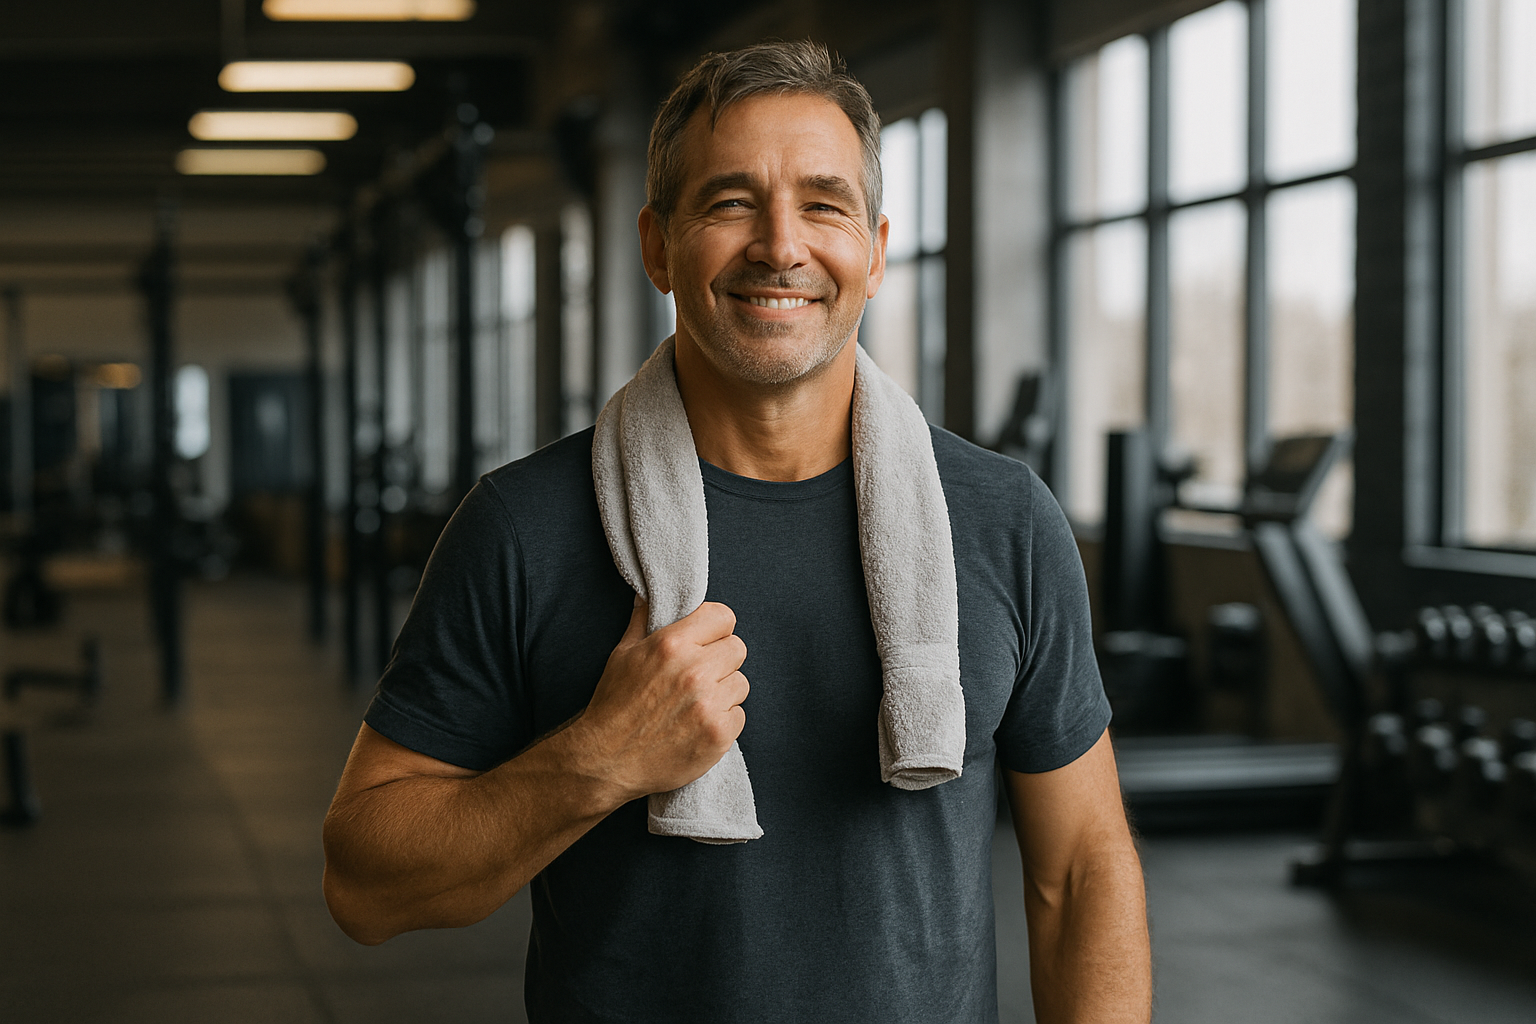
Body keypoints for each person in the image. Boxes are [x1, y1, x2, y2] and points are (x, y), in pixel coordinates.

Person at [323, 39, 1151, 1024]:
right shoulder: (523, 528)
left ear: (877, 250)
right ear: (657, 246)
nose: (780, 245)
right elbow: (365, 886)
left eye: (823, 203)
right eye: (729, 202)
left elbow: (1082, 872)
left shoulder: (1002, 520)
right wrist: (597, 761)